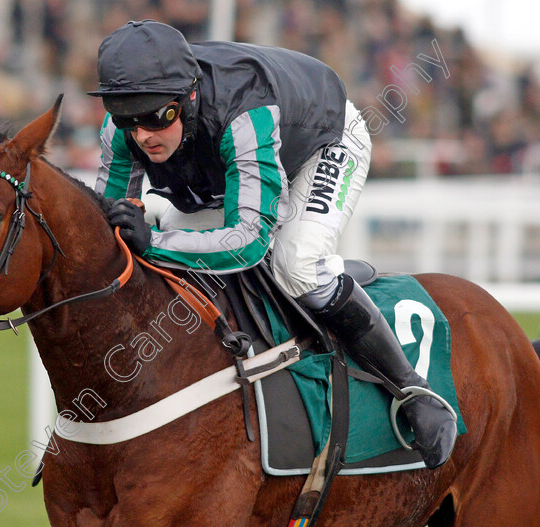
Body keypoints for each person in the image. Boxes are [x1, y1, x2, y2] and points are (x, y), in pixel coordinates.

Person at [88, 20, 457, 469]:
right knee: (162, 233)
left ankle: (414, 391)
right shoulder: (122, 126)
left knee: (295, 263)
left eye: (157, 117)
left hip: (323, 141)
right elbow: (110, 228)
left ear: (187, 97)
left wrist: (155, 242)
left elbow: (247, 242)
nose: (144, 135)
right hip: (227, 162)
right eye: (130, 119)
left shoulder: (243, 113)